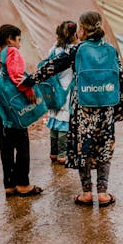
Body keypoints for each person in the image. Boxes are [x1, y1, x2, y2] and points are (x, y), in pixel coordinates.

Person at [29, 11, 123, 207]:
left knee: (85, 148)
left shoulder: (77, 50)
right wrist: (118, 111)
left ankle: (87, 193)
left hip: (83, 109)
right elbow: (120, 80)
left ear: (85, 29)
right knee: (104, 148)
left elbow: (51, 66)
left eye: (80, 27)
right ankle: (104, 193)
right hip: (106, 108)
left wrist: (30, 80)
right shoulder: (111, 50)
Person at [0, 24, 43, 197]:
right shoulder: (11, 52)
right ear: (10, 39)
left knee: (6, 146)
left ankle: (9, 185)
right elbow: (17, 75)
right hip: (11, 109)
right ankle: (23, 184)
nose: (19, 44)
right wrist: (28, 90)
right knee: (22, 143)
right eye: (19, 40)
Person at [45, 20, 78, 163]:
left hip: (53, 90)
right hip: (67, 90)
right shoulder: (73, 51)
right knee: (64, 122)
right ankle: (63, 155)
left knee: (54, 119)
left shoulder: (53, 49)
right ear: (75, 34)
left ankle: (53, 153)